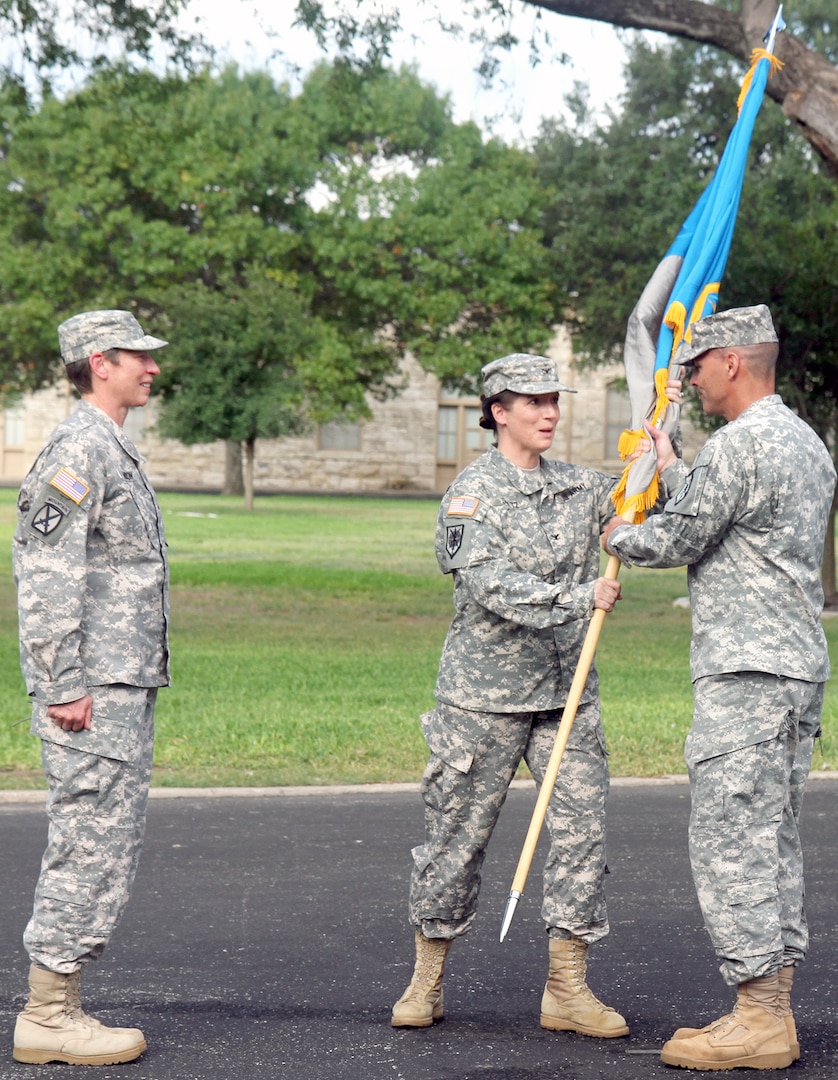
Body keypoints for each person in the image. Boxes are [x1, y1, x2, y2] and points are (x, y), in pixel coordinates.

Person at [602, 305, 836, 1072]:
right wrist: (668, 464)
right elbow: (728, 512)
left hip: (748, 674)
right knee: (770, 842)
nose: (690, 379)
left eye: (697, 364)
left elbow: (683, 534)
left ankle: (761, 1016)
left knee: (733, 841)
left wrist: (618, 533)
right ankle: (770, 1008)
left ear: (734, 361)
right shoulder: (802, 440)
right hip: (794, 670)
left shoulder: (743, 445)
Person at [391, 351, 630, 1039]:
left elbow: (641, 501)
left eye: (554, 399)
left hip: (566, 692)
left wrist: (652, 456)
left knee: (583, 835)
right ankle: (427, 979)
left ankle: (568, 987)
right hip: (483, 699)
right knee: (455, 840)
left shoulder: (579, 486)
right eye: (532, 402)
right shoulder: (472, 494)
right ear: (498, 410)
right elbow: (489, 586)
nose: (549, 412)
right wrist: (580, 597)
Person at [11, 310, 170, 1067]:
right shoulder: (78, 450)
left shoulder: (109, 445)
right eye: (140, 356)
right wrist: (63, 683)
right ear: (100, 361)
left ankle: (60, 1002)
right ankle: (47, 1014)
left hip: (117, 685)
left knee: (104, 843)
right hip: (91, 693)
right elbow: (45, 574)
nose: (153, 368)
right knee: (89, 843)